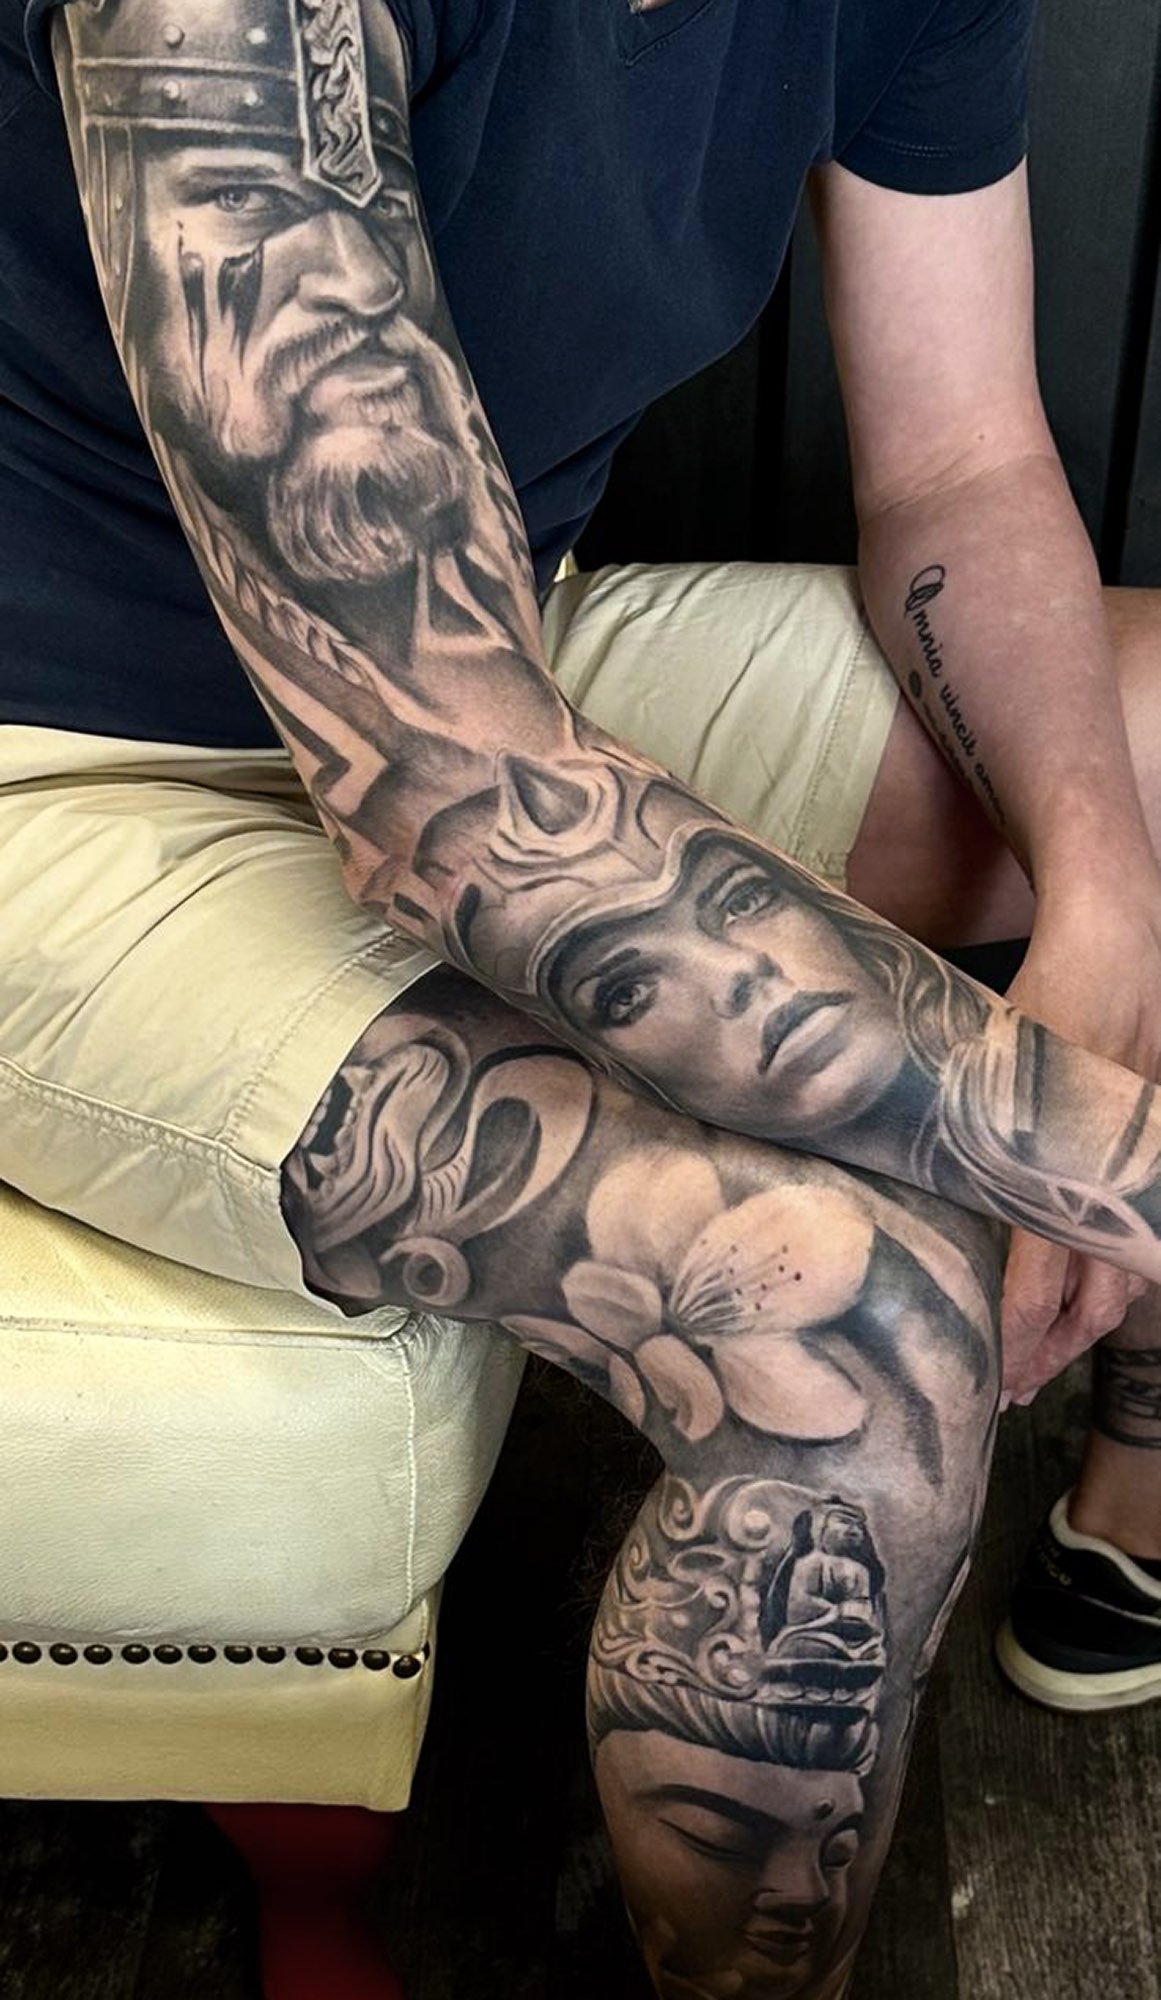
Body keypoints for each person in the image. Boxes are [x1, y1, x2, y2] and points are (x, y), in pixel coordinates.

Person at [2, 0, 1161, 1990]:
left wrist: (1103, 898)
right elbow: (458, 806)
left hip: (494, 648)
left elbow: (962, 463)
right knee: (841, 1322)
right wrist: (1103, 1146)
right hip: (71, 777)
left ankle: (1124, 1503)